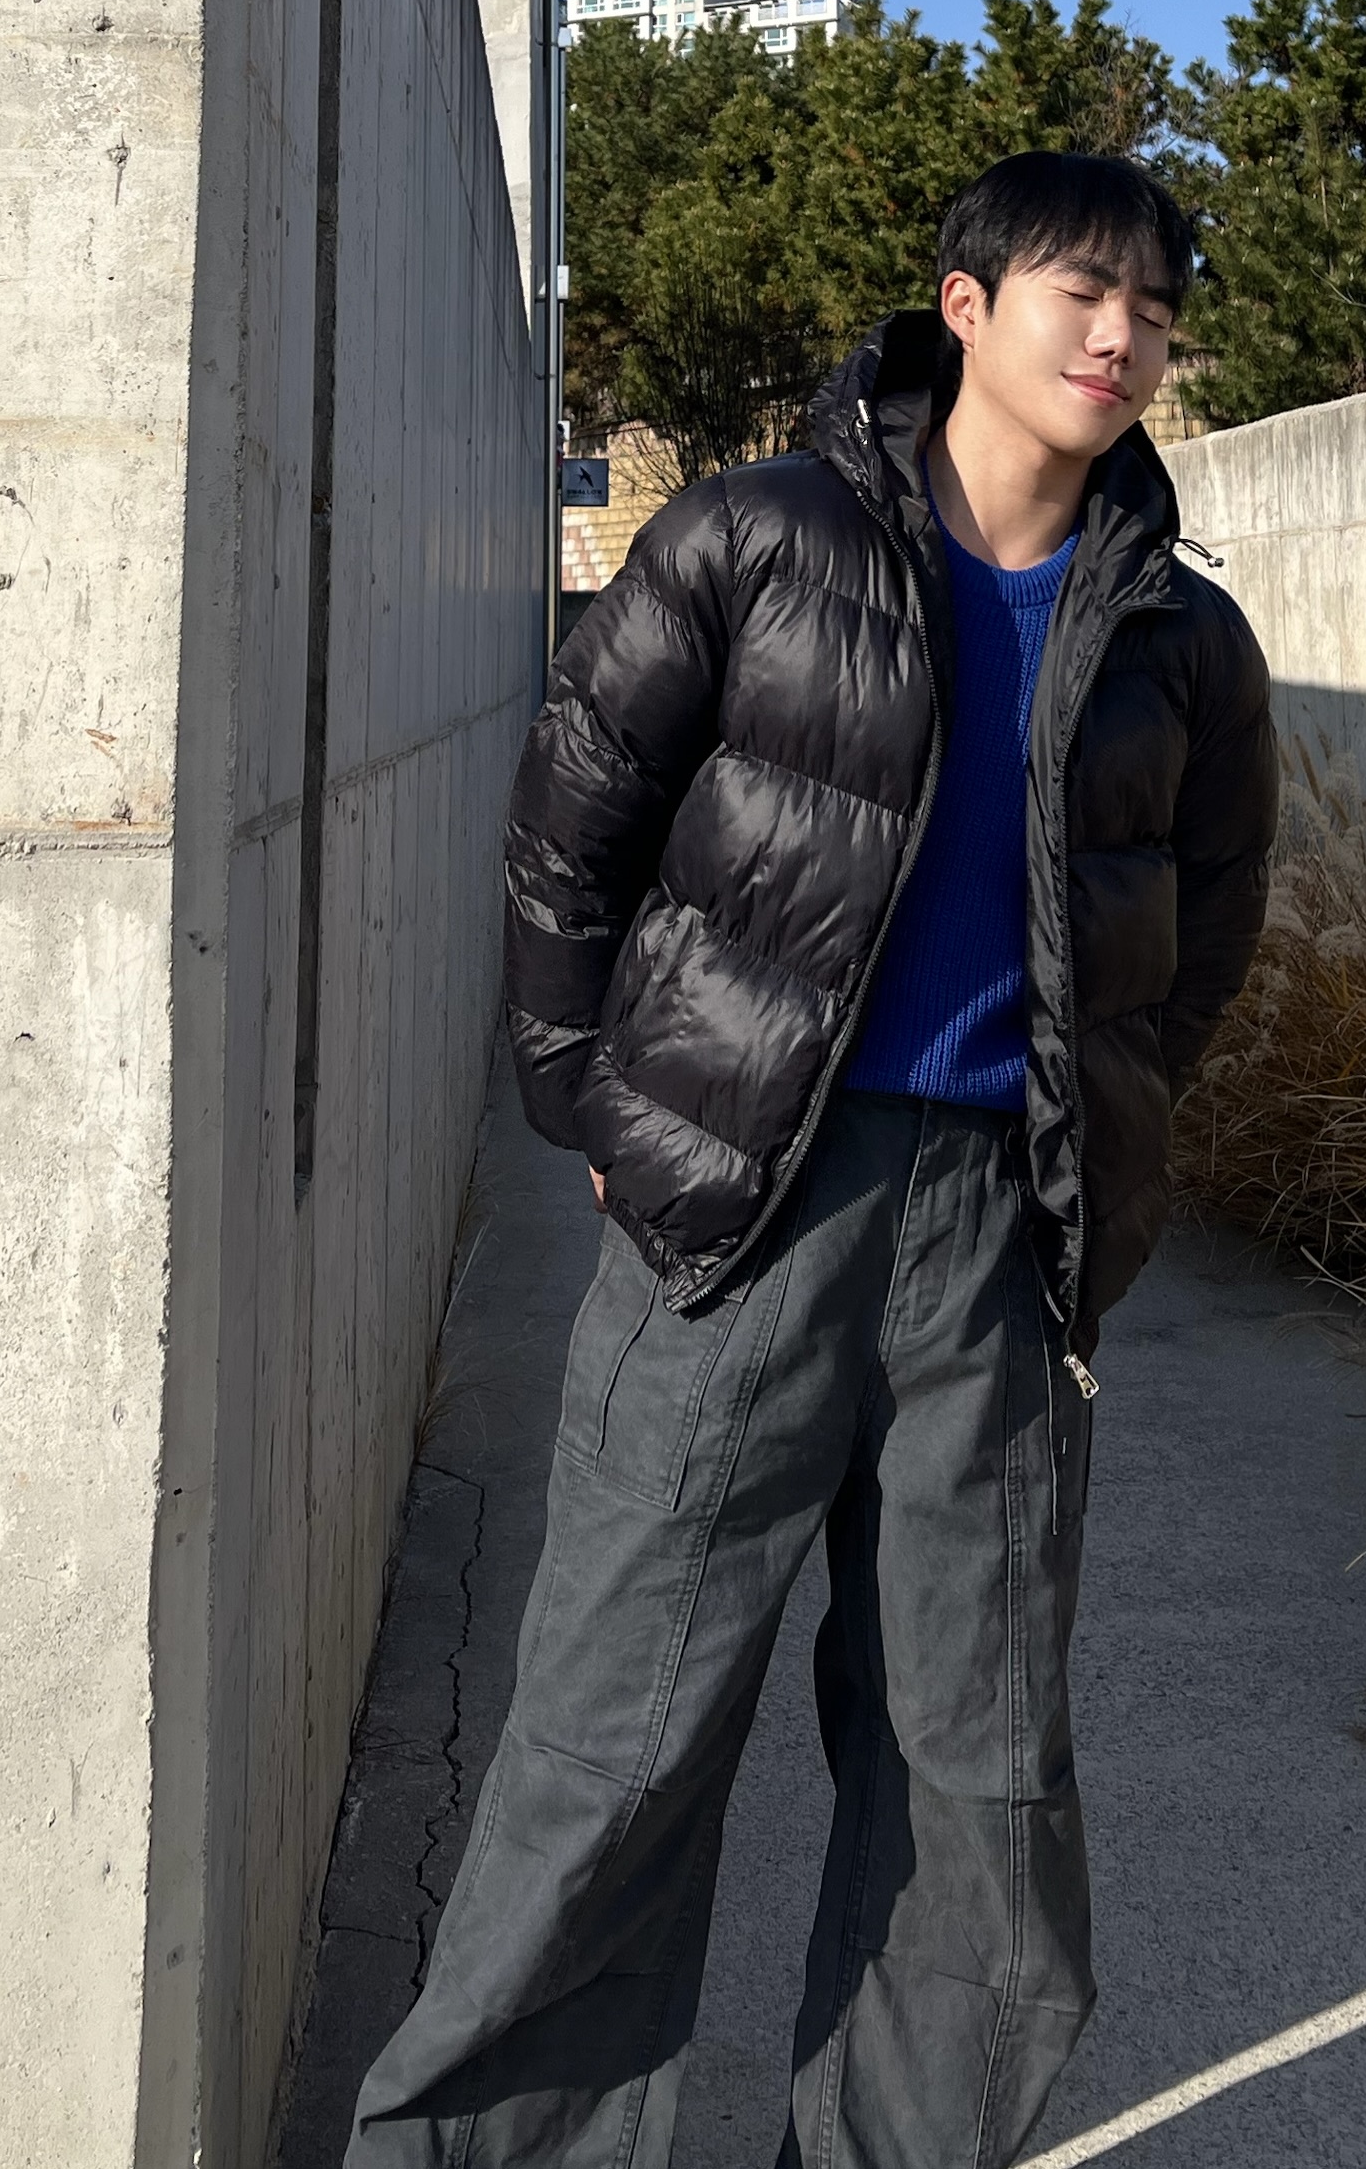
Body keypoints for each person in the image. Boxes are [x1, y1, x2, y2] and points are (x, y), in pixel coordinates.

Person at [346, 151, 1279, 2169]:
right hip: (749, 1213)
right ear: (966, 307)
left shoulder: (1179, 639)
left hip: (1004, 1246)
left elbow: (1199, 933)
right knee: (616, 1744)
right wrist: (597, 1108)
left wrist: (1099, 1137)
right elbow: (568, 827)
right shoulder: (758, 539)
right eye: (1079, 291)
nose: (1120, 336)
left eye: (1151, 306)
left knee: (973, 1776)